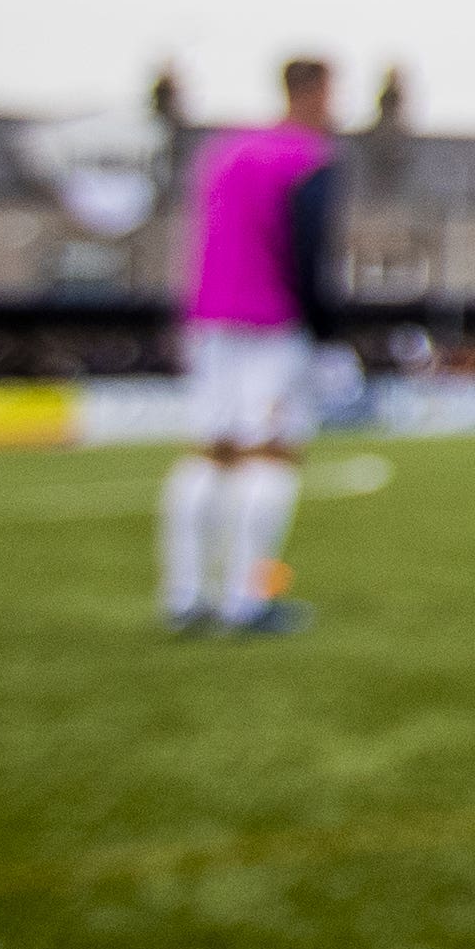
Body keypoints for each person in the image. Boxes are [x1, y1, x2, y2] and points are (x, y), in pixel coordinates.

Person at [162, 55, 344, 635]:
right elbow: (309, 253)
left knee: (210, 452)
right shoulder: (306, 158)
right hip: (271, 322)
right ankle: (246, 601)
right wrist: (326, 338)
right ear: (315, 92)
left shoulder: (223, 153)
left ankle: (184, 597)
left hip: (209, 321)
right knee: (271, 457)